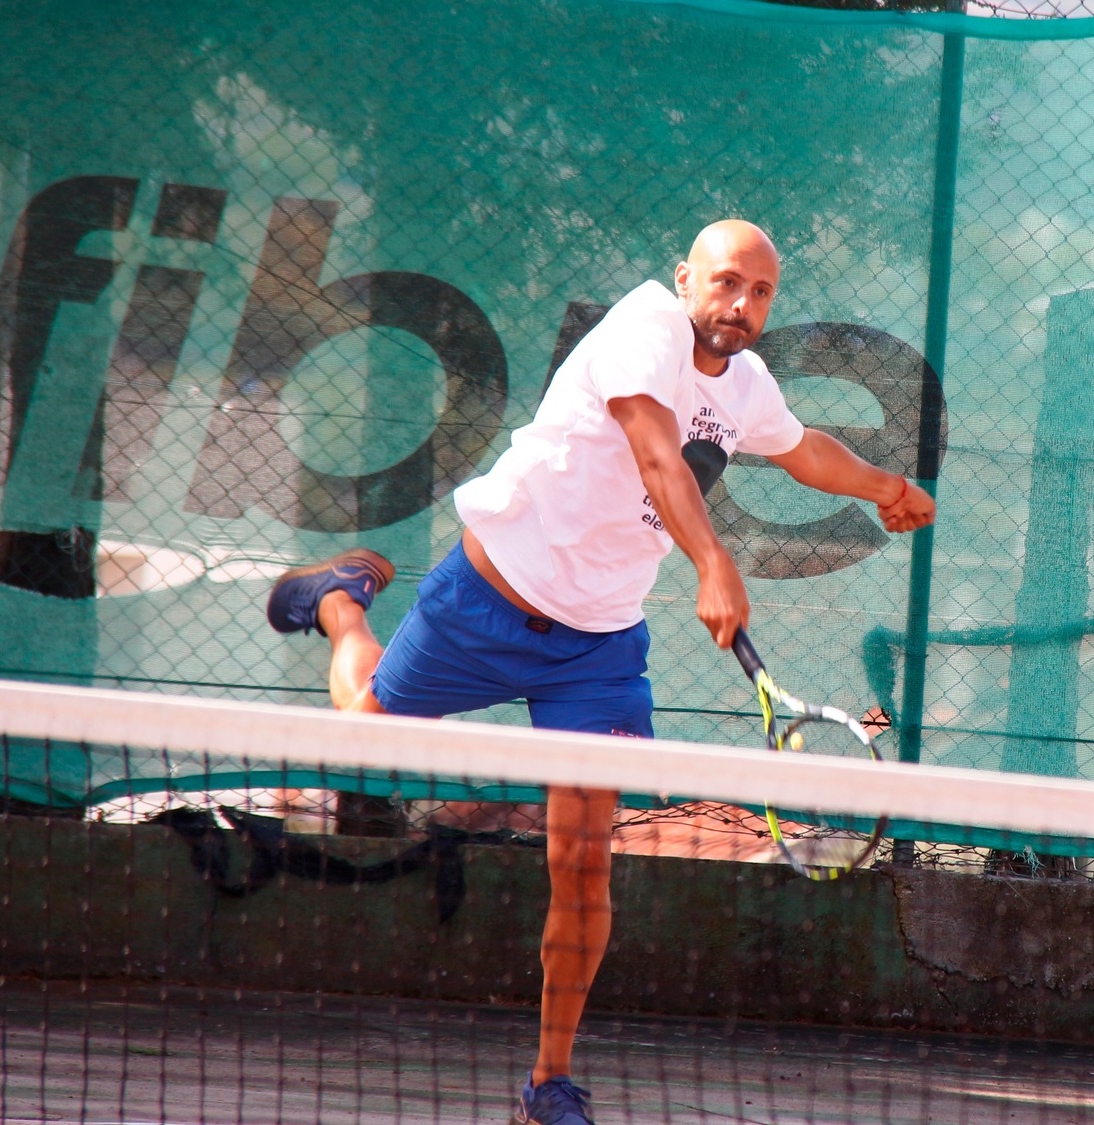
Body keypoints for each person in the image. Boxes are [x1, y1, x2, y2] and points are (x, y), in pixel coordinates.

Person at [262, 219, 936, 1125]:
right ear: (686, 277)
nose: (741, 305)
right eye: (726, 282)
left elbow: (804, 447)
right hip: (489, 598)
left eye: (761, 292)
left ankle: (548, 1083)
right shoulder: (643, 328)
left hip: (598, 649)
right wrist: (710, 561)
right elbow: (657, 454)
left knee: (584, 863)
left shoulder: (745, 383)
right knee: (362, 729)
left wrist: (886, 486)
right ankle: (342, 603)